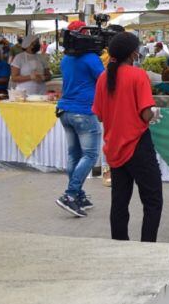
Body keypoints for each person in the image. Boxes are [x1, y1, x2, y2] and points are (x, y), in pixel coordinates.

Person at [92, 32, 162, 242]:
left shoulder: (103, 78)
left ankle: (119, 244)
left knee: (120, 201)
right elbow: (145, 113)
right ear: (133, 54)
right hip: (138, 144)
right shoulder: (138, 75)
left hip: (114, 145)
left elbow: (101, 115)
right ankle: (147, 246)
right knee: (152, 200)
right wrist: (154, 113)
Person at [55, 20, 106, 218]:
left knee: (74, 155)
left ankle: (79, 195)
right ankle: (70, 194)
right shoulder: (91, 58)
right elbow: (103, 81)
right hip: (84, 112)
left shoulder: (66, 59)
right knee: (90, 155)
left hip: (65, 111)